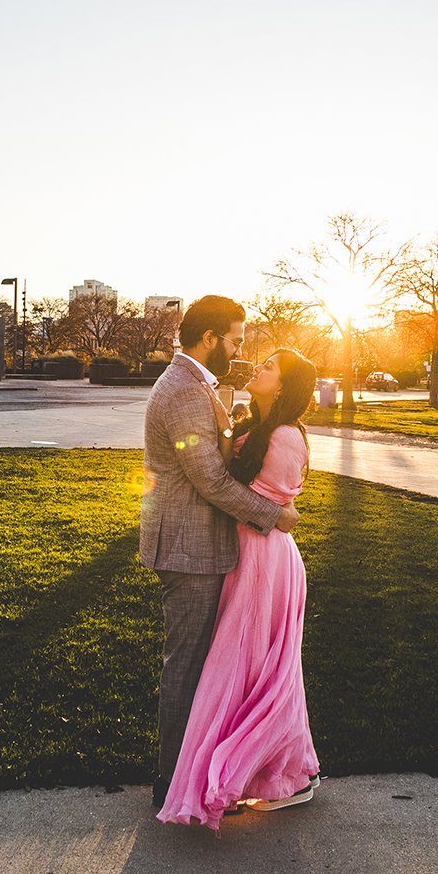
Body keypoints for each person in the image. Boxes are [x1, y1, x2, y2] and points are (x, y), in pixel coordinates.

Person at [140, 296, 300, 809]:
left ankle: (194, 774)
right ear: (209, 338)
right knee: (186, 667)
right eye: (233, 340)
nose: (237, 352)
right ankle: (173, 783)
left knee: (199, 667)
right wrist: (273, 514)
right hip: (189, 550)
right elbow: (207, 477)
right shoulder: (185, 390)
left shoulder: (194, 386)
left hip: (199, 546)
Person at [157, 347, 321, 831]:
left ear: (285, 385)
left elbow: (249, 496)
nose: (258, 368)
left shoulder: (287, 436)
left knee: (255, 668)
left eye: (269, 367)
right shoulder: (255, 423)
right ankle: (253, 771)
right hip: (244, 554)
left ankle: (280, 774)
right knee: (245, 668)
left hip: (265, 559)